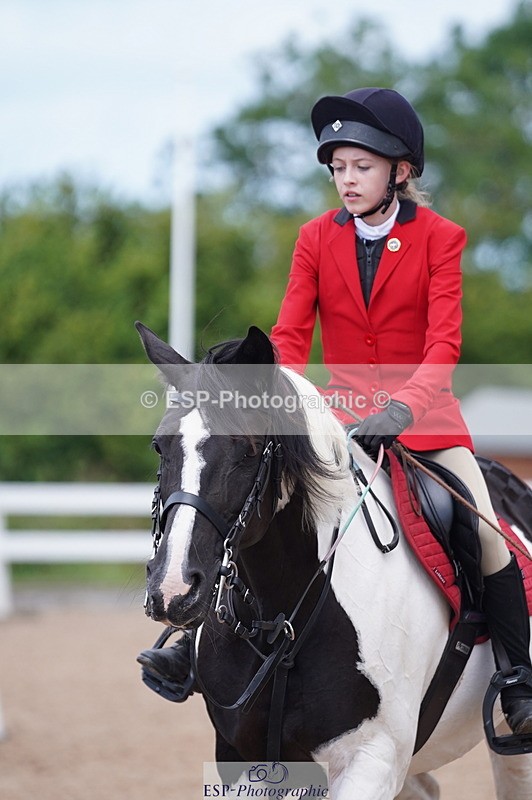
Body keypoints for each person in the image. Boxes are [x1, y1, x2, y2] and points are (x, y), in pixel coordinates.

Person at [138, 87, 532, 737]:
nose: (346, 180)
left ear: (400, 171)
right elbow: (289, 339)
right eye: (339, 168)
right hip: (337, 422)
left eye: (362, 167)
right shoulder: (315, 239)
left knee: (483, 527)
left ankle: (517, 676)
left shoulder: (442, 239)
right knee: (249, 505)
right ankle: (197, 644)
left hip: (426, 424)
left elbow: (444, 345)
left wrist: (403, 409)